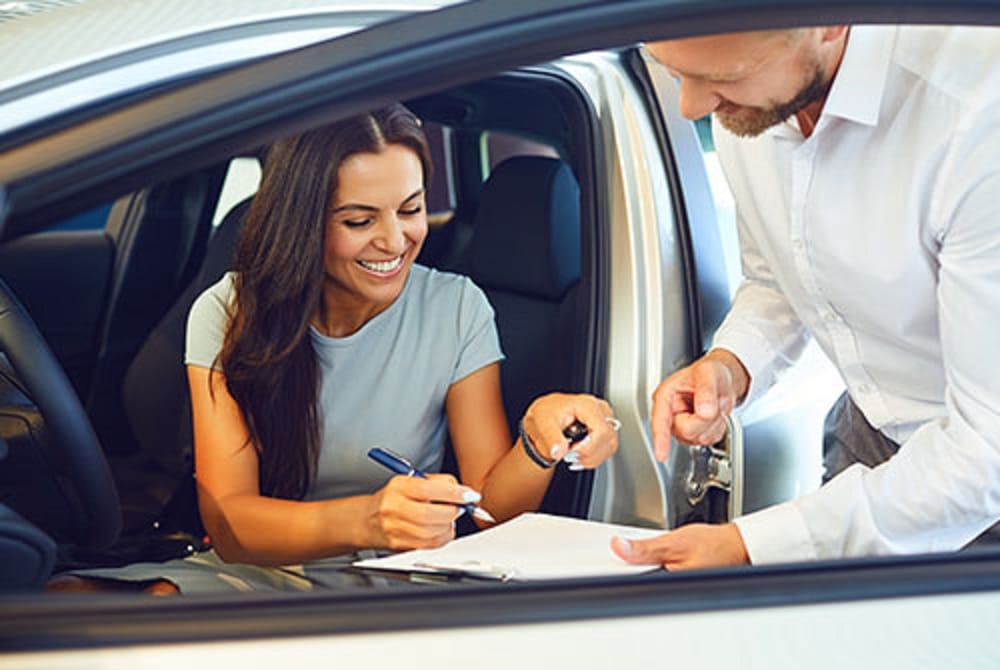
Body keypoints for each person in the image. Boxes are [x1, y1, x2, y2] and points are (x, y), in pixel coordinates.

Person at [52, 103, 618, 593]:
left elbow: (492, 514)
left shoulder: (457, 308)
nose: (395, 241)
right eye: (358, 219)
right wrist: (369, 518)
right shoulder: (230, 310)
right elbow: (230, 523)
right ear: (302, 222)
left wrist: (538, 441)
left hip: (397, 578)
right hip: (261, 568)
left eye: (411, 209)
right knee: (63, 599)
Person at [611, 25, 1000, 570]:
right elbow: (777, 278)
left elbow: (987, 454)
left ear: (829, 24)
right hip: (867, 439)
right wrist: (731, 364)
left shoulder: (976, 118)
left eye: (721, 76)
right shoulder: (747, 109)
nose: (692, 105)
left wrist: (749, 547)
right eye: (675, 74)